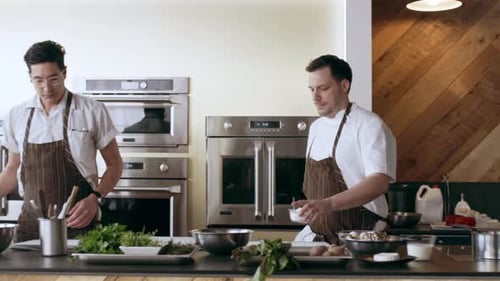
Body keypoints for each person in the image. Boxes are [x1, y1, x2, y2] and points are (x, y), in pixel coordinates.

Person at [0, 40, 123, 241]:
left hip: (79, 226)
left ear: (64, 73)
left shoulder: (91, 110)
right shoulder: (17, 115)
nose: (46, 88)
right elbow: (12, 169)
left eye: (53, 78)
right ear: (29, 77)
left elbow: (115, 165)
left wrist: (96, 198)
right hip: (30, 230)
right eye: (38, 80)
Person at [291, 54, 396, 244]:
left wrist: (328, 204)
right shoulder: (315, 128)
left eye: (323, 88)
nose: (315, 97)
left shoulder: (369, 125)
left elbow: (379, 181)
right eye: (312, 89)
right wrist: (313, 206)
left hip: (362, 239)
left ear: (344, 86)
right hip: (320, 242)